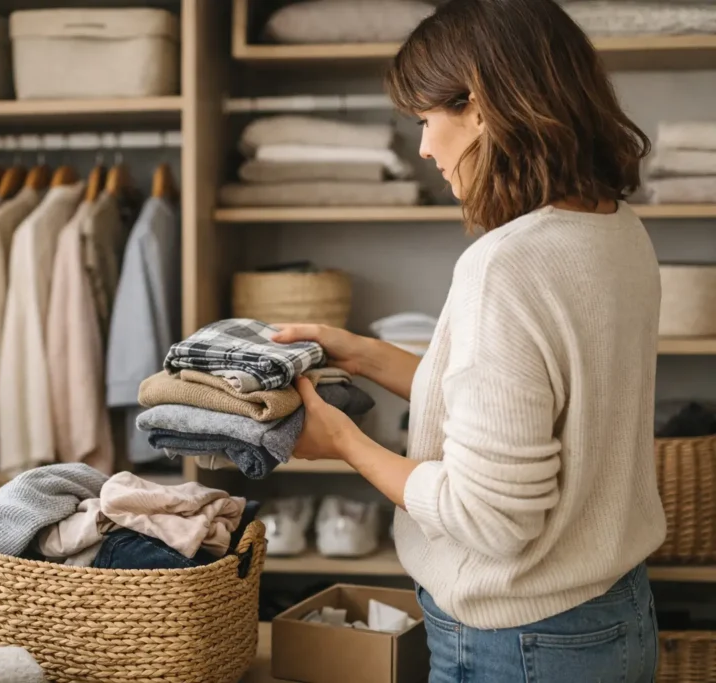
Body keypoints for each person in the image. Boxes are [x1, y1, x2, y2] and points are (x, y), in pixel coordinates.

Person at [272, 0, 666, 680]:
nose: (423, 146)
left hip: (521, 642)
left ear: (480, 108)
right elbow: (527, 401)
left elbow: (485, 517)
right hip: (614, 615)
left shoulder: (506, 264)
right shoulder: (617, 230)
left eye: (427, 120)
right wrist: (363, 353)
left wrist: (344, 444)